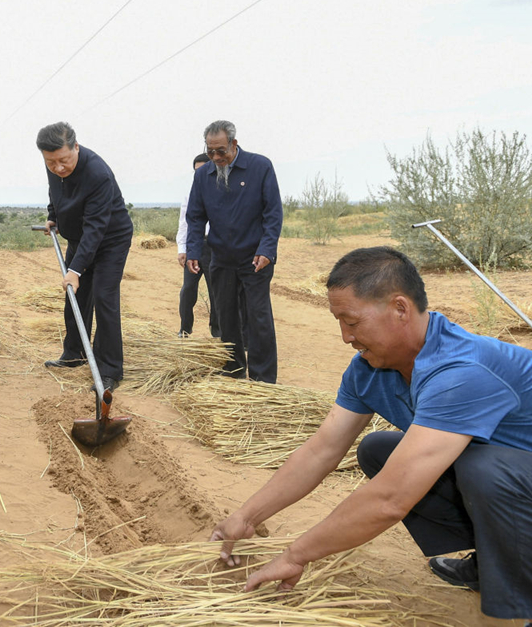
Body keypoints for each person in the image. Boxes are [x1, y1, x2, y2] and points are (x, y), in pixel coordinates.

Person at [210, 246, 532, 622]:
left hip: (513, 476)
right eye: (339, 322)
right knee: (378, 449)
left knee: (484, 468)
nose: (345, 336)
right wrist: (246, 517)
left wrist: (295, 555)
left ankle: (518, 600)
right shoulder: (369, 368)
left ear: (399, 309)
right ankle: (489, 560)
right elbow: (321, 450)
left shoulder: (460, 372)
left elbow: (392, 498)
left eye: (352, 321)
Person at [37, 122, 133, 393]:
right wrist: (53, 215)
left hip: (110, 239)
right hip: (81, 237)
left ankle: (110, 370)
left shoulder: (97, 173)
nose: (58, 168)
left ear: (76, 147)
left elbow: (96, 228)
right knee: (75, 297)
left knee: (103, 297)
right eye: (50, 162)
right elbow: (55, 191)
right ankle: (75, 353)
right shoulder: (55, 164)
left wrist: (76, 270)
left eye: (63, 160)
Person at [186, 120, 282, 382]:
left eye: (221, 151)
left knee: (258, 317)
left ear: (234, 144)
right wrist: (193, 251)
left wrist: (267, 249)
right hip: (221, 257)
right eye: (210, 152)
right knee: (225, 316)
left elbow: (273, 213)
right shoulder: (202, 175)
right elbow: (195, 217)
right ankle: (234, 368)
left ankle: (263, 378)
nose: (216, 157)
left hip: (255, 259)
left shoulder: (260, 167)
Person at [176, 153, 219, 338]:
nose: (199, 174)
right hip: (194, 246)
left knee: (215, 291)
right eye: (196, 171)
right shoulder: (190, 193)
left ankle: (217, 331)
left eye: (202, 170)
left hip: (215, 247)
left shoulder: (221, 191)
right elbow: (184, 222)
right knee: (187, 290)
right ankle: (185, 329)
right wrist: (182, 249)